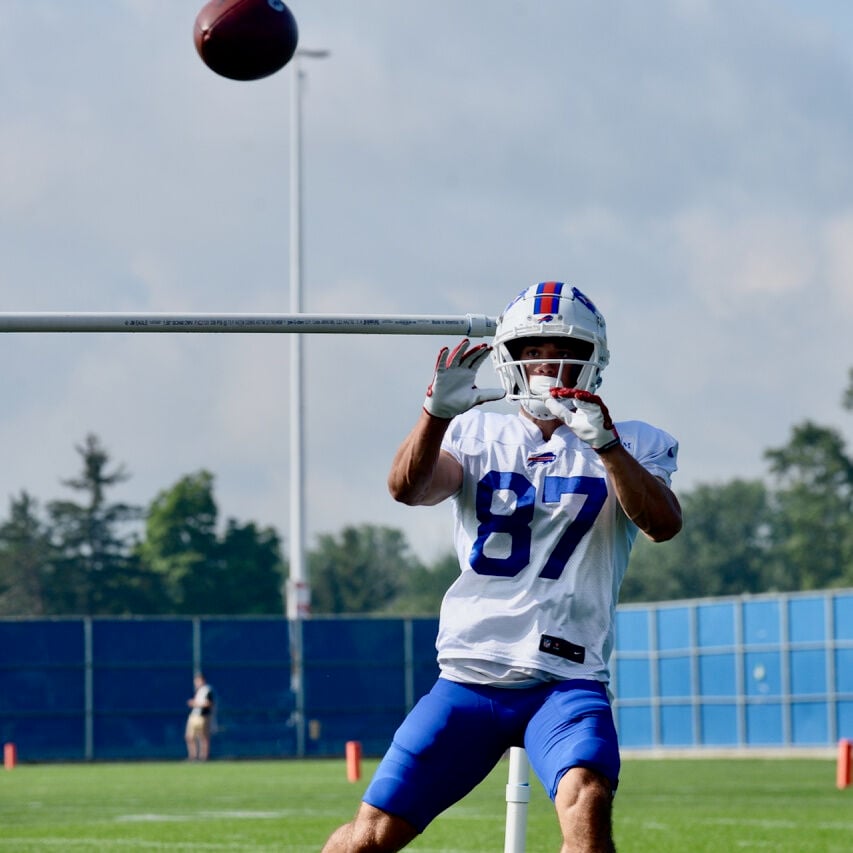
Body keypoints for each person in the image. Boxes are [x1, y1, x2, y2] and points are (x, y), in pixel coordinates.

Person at [321, 281, 682, 853]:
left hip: (566, 677)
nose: (547, 362)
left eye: (563, 347)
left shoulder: (635, 441)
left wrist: (608, 447)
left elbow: (663, 524)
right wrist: (435, 415)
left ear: (595, 358)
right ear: (509, 356)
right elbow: (407, 488)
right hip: (470, 673)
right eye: (533, 348)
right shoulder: (475, 429)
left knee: (586, 807)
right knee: (369, 838)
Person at [185, 672, 215, 761]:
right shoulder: (198, 691)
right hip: (194, 716)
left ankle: (204, 757)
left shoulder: (207, 690)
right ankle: (192, 756)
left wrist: (196, 704)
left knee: (203, 737)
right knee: (189, 737)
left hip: (203, 717)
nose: (196, 683)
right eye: (195, 681)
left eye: (198, 681)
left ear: (203, 680)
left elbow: (209, 703)